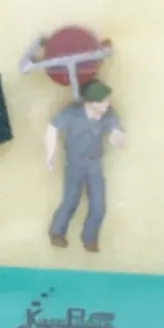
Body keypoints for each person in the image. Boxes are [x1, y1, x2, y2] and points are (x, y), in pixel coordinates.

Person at [45, 79, 125, 251]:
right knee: (70, 200)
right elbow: (53, 127)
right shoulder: (72, 113)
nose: (107, 104)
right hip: (74, 163)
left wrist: (117, 136)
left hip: (94, 164)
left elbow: (117, 135)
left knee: (99, 206)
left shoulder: (108, 115)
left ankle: (89, 237)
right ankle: (57, 232)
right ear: (90, 102)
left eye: (107, 100)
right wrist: (50, 154)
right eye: (102, 101)